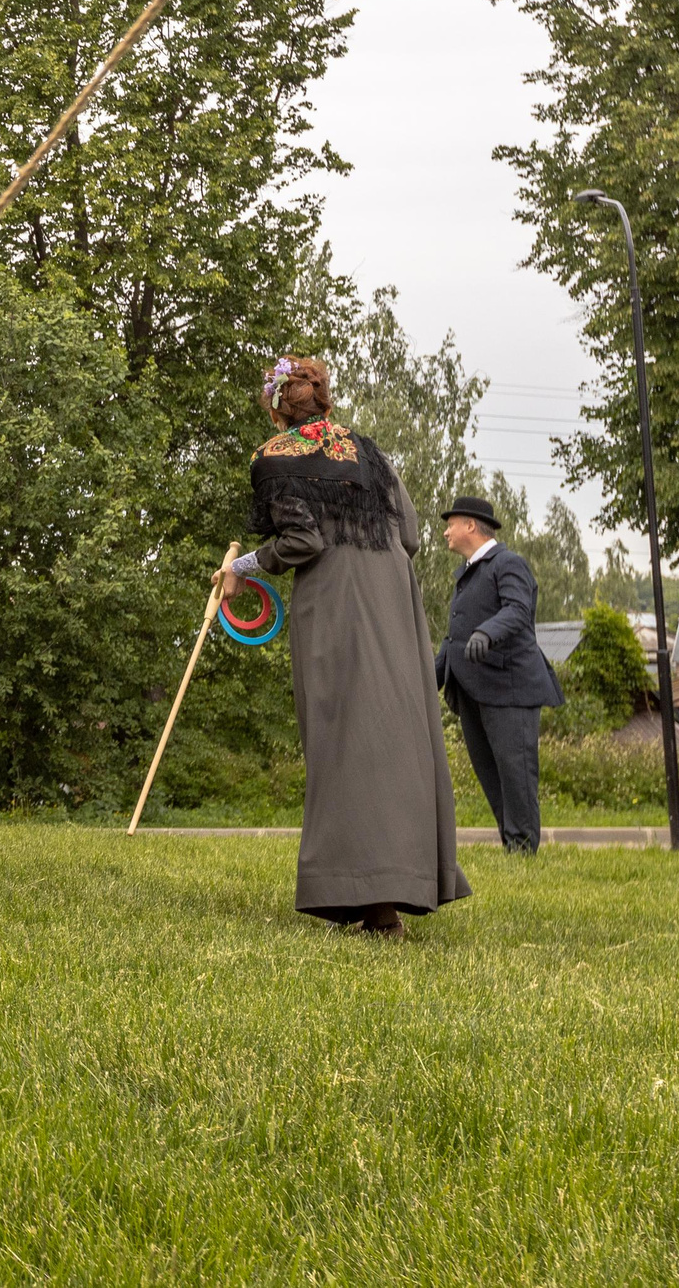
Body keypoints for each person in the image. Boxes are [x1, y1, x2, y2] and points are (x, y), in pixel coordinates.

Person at [220, 355, 468, 935]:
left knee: (341, 737)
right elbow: (409, 532)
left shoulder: (274, 457)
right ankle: (385, 896)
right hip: (391, 596)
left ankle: (367, 900)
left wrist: (245, 567)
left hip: (336, 597)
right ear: (323, 398)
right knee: (394, 736)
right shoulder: (371, 452)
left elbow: (302, 539)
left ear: (278, 407)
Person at [434, 496, 563, 853]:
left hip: (510, 688)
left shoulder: (508, 564)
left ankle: (523, 849)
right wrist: (431, 677)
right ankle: (513, 846)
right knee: (491, 774)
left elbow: (518, 610)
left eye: (451, 524)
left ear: (471, 526)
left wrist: (487, 632)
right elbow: (456, 636)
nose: (446, 531)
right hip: (474, 688)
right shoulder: (468, 573)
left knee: (515, 773)